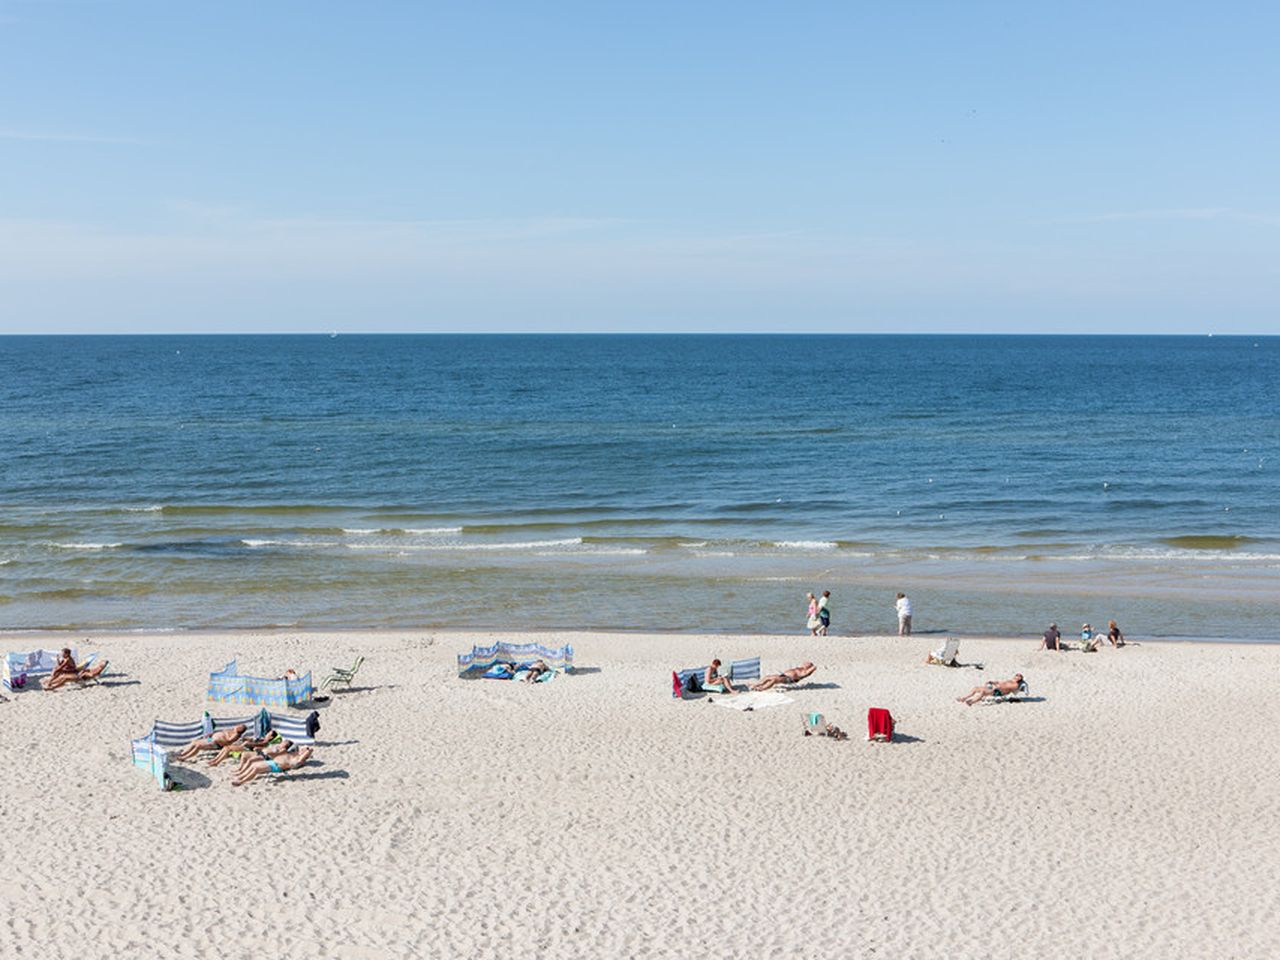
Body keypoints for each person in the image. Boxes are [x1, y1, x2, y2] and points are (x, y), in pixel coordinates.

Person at [232, 746, 314, 787]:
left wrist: (308, 750)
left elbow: (309, 751)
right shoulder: (293, 754)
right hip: (272, 762)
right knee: (253, 765)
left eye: (303, 750)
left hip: (277, 766)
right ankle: (241, 776)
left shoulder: (299, 759)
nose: (302, 750)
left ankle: (241, 781)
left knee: (256, 769)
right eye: (302, 749)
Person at [173, 724, 248, 761]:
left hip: (216, 743)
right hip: (211, 739)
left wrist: (217, 738)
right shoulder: (231, 730)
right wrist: (212, 735)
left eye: (239, 726)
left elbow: (228, 741)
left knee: (198, 746)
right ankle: (183, 753)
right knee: (195, 742)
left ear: (239, 729)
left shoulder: (236, 735)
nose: (237, 725)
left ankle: (184, 758)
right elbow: (221, 732)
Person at [957, 674, 1024, 706]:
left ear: (1019, 679)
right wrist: (992, 682)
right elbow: (1000, 682)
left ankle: (971, 702)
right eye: (1016, 675)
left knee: (983, 692)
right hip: (995, 687)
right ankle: (964, 698)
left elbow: (1006, 688)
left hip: (998, 692)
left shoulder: (1015, 685)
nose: (1016, 677)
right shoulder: (1010, 680)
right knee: (976, 688)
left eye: (1018, 676)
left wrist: (997, 686)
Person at [751, 662, 816, 691]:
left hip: (789, 679)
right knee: (768, 677)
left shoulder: (804, 672)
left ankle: (762, 688)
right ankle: (757, 684)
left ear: (808, 667)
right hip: (784, 675)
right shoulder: (800, 668)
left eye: (807, 663)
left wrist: (811, 667)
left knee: (774, 680)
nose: (805, 663)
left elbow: (814, 668)